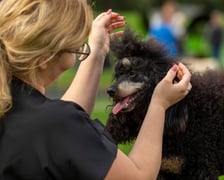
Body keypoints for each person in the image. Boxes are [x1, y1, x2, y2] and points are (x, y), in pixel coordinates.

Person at [0, 0, 192, 179]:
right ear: (44, 58)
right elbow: (139, 175)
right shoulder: (54, 125)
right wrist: (159, 103)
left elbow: (62, 124)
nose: (80, 42)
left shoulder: (13, 107)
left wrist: (97, 49)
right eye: (76, 36)